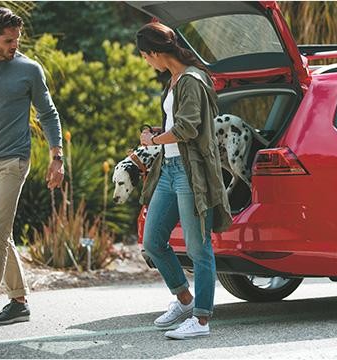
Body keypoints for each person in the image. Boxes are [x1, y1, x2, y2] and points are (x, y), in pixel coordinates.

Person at [136, 21, 232, 339]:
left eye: (145, 56)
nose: (146, 62)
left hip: (191, 174)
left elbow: (187, 128)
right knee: (152, 241)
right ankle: (185, 300)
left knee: (198, 248)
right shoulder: (175, 79)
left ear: (155, 52)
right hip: (170, 170)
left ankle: (201, 321)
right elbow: (173, 125)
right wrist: (155, 133)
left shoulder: (192, 79)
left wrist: (152, 140)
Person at [0, 7, 64, 325]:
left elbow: (48, 114)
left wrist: (56, 157)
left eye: (16, 39)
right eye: (8, 40)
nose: (14, 45)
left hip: (13, 160)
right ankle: (19, 301)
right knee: (1, 233)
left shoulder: (28, 69)